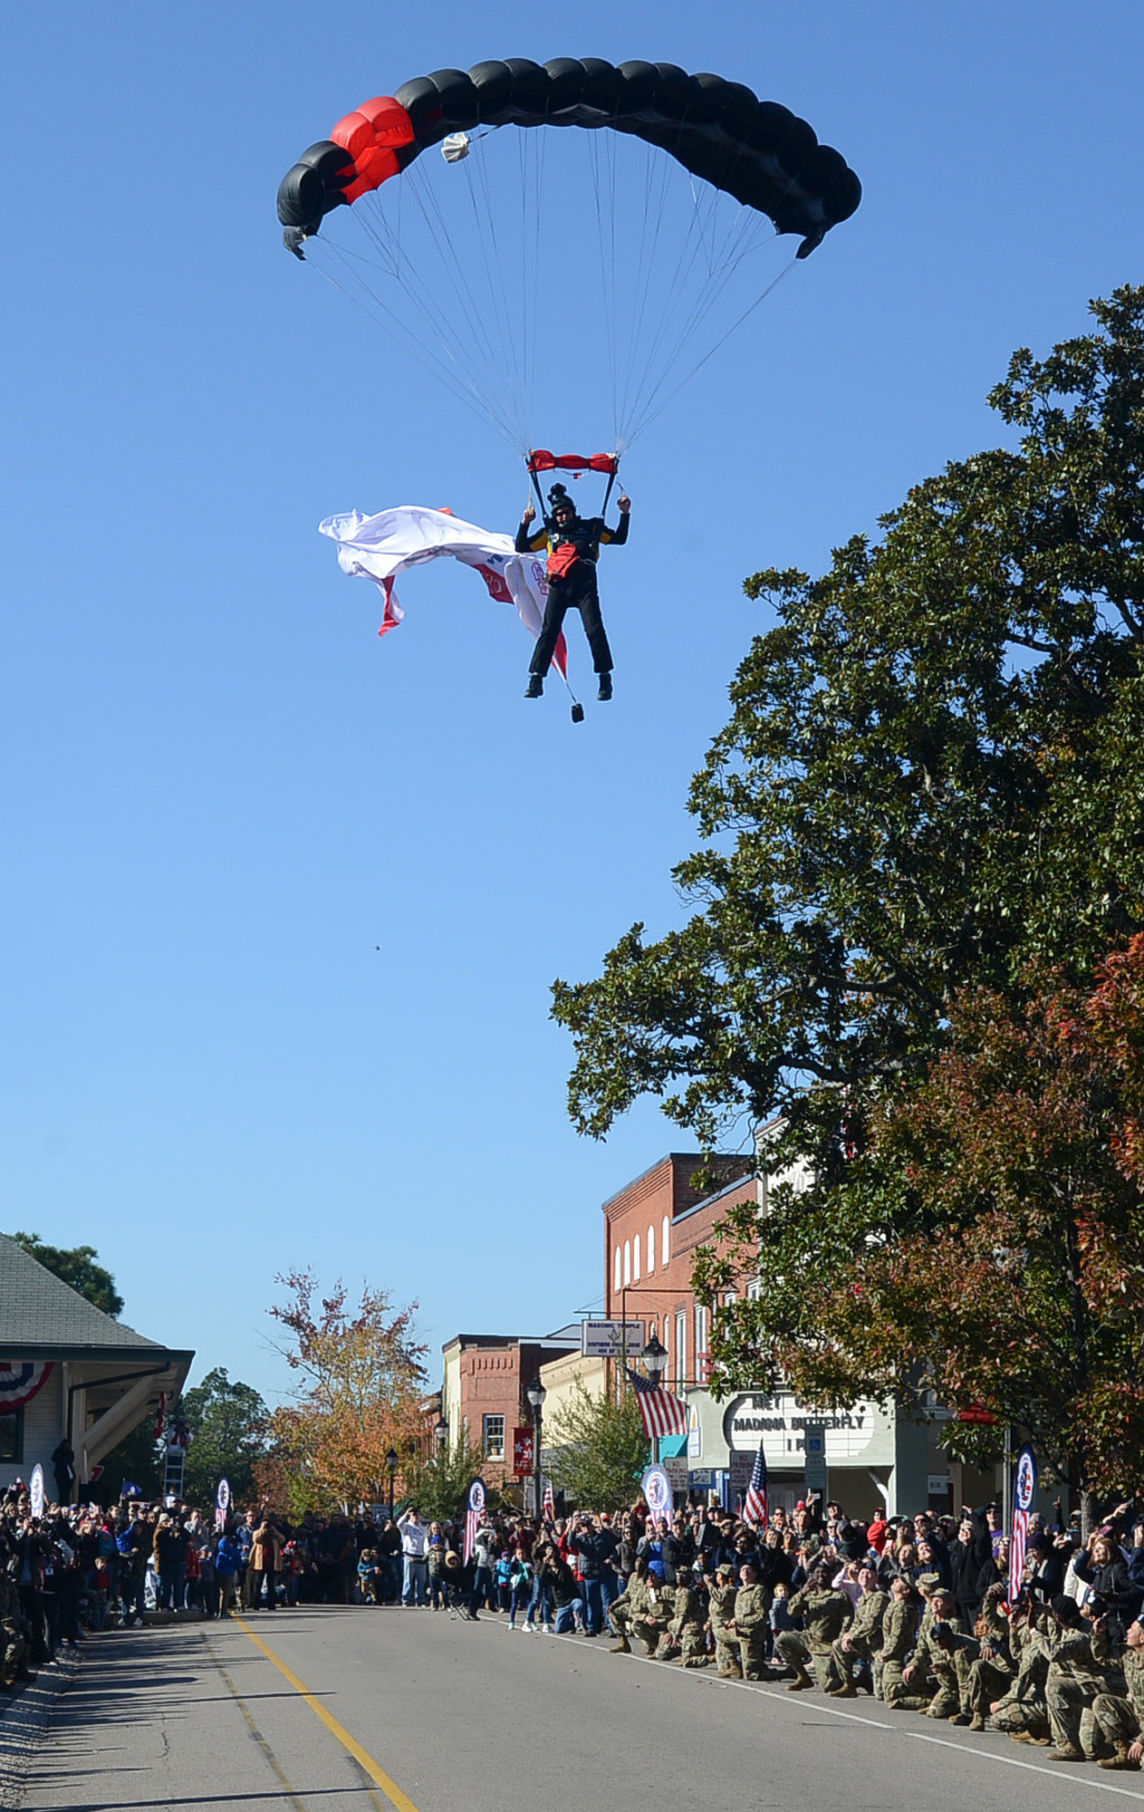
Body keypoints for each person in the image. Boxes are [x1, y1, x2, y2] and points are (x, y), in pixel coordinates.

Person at [516, 483, 630, 702]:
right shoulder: (550, 533)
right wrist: (525, 523)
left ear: (573, 511)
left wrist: (624, 513)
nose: (562, 517)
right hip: (560, 585)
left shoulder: (591, 528)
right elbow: (522, 546)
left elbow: (619, 539)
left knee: (594, 629)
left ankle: (605, 679)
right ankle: (536, 679)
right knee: (549, 631)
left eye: (565, 512)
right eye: (558, 514)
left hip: (584, 584)